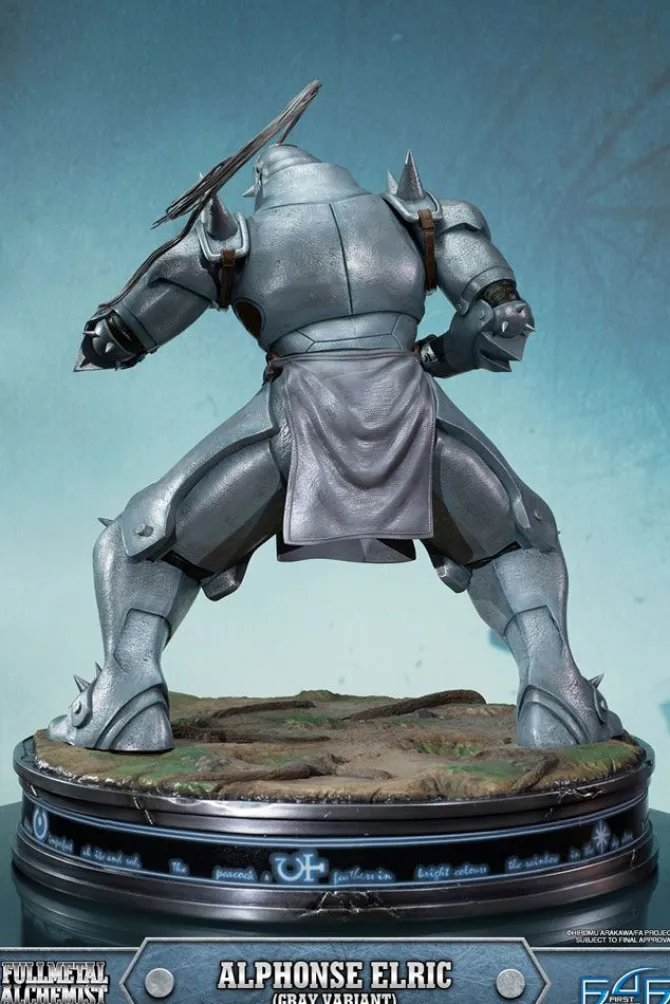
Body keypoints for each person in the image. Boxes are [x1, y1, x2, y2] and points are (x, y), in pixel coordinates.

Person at [48, 139, 623, 753]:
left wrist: (110, 333)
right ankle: (560, 706)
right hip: (418, 422)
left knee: (140, 545)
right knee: (522, 540)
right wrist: (437, 354)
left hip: (290, 430)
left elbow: (122, 334)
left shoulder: (231, 238)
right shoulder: (422, 218)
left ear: (261, 183)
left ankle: (124, 708)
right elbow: (503, 323)